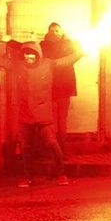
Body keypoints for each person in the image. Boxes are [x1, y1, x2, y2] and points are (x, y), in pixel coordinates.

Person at [0, 39, 83, 187]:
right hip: (25, 114)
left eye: (31, 54)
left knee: (52, 144)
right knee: (26, 147)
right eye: (25, 54)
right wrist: (2, 43)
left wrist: (81, 52)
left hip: (43, 114)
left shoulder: (48, 64)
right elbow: (0, 60)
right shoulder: (18, 66)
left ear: (38, 54)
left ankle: (61, 174)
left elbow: (66, 61)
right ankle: (29, 177)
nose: (28, 57)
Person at [40, 22, 80, 156]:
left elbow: (76, 54)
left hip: (63, 87)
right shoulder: (44, 45)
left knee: (62, 120)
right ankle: (53, 150)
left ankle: (62, 150)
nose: (54, 33)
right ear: (48, 32)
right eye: (52, 30)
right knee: (50, 120)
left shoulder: (68, 44)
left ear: (62, 32)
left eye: (57, 30)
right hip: (50, 87)